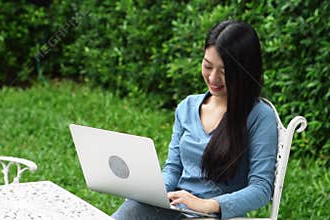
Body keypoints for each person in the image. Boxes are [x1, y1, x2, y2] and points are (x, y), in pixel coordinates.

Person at [112, 20, 278, 220]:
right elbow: (173, 168)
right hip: (177, 209)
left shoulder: (259, 116)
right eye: (208, 66)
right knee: (135, 207)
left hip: (215, 215)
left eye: (224, 72)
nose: (213, 78)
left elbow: (262, 188)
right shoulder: (187, 107)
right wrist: (154, 194)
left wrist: (207, 205)